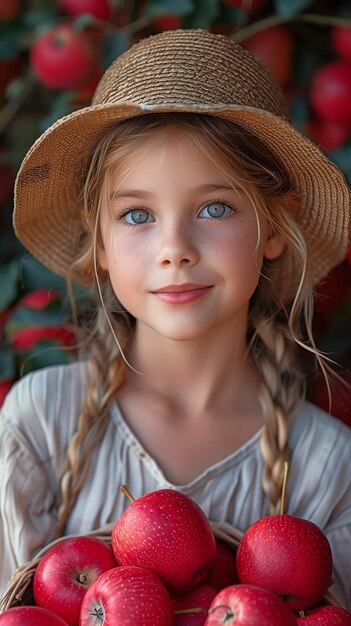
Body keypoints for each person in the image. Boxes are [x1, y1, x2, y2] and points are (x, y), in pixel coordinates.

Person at [0, 28, 350, 608]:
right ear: (101, 243)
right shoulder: (41, 426)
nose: (174, 248)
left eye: (215, 208)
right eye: (137, 214)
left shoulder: (324, 469)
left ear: (273, 229)